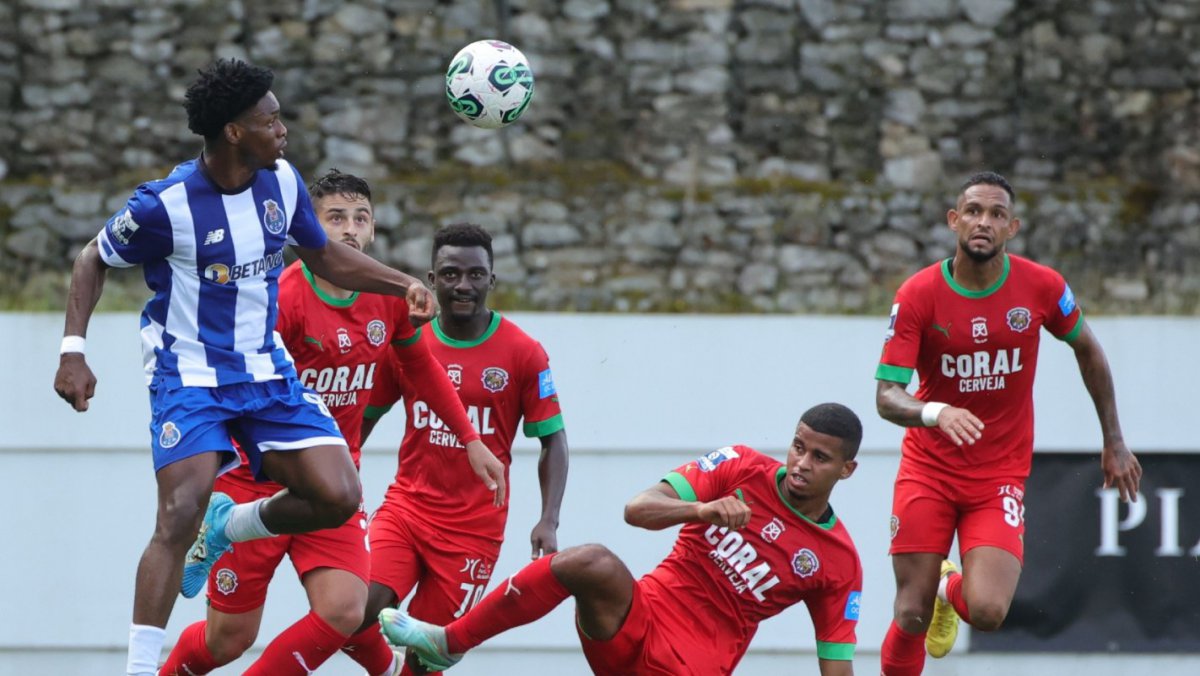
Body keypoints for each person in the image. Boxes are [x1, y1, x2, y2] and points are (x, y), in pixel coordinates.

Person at [50, 59, 505, 676]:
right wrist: (73, 351)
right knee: (180, 514)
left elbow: (325, 256)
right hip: (190, 376)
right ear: (235, 132)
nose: (283, 129)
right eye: (271, 119)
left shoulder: (282, 183)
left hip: (265, 376)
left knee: (339, 495)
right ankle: (139, 668)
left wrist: (402, 285)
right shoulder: (167, 204)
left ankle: (232, 525)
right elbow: (91, 258)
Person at [157, 171, 495, 675]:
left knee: (344, 609)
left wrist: (471, 439)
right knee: (227, 640)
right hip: (253, 484)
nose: (350, 229)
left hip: (336, 484)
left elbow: (420, 366)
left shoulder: (388, 296)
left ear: (374, 229)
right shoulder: (280, 298)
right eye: (335, 217)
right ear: (307, 229)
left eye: (361, 218)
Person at [874, 171, 1142, 674]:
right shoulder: (917, 295)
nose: (984, 222)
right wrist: (937, 412)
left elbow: (1088, 350)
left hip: (996, 474)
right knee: (910, 612)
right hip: (928, 470)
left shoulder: (1042, 286)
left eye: (997, 214)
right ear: (954, 221)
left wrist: (1114, 440)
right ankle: (928, 597)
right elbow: (887, 397)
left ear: (1012, 228)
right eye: (973, 211)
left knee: (989, 612)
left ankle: (946, 587)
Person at [378, 402, 864, 676]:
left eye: (820, 458)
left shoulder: (838, 563)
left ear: (847, 470)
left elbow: (836, 661)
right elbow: (637, 509)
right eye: (799, 447)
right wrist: (701, 509)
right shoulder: (739, 465)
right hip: (636, 619)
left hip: (691, 664)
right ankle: (449, 641)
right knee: (590, 561)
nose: (801, 463)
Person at [339, 223, 569, 676]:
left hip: (473, 533)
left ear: (491, 280)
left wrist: (548, 518)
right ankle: (385, 666)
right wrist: (332, 475)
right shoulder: (409, 341)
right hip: (407, 509)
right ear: (431, 279)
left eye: (475, 275)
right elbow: (364, 418)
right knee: (350, 615)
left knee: (426, 662)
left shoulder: (524, 353)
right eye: (449, 274)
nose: (463, 286)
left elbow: (554, 440)